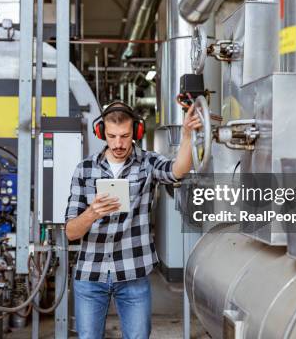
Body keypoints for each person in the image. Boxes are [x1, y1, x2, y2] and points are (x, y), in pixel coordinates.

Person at [64, 101, 201, 339]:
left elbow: (177, 170)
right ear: (101, 132)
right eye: (112, 136)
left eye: (125, 136)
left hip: (133, 273)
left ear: (136, 132)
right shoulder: (84, 170)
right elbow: (71, 232)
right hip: (90, 274)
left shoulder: (147, 163)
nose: (118, 144)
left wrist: (188, 135)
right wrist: (92, 213)